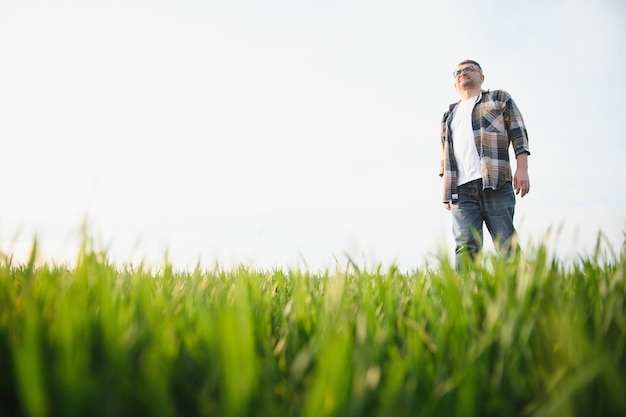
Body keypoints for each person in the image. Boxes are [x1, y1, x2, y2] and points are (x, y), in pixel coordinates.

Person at [439, 59, 530, 269]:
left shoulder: (498, 98)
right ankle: (466, 296)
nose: (463, 73)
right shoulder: (448, 116)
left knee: (505, 241)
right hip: (460, 190)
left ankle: (520, 292)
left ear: (481, 77)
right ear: (455, 83)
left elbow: (518, 133)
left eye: (469, 69)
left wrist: (522, 169)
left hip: (494, 182)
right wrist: (446, 190)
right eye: (458, 72)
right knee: (465, 246)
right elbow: (445, 156)